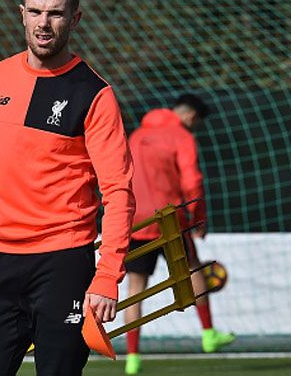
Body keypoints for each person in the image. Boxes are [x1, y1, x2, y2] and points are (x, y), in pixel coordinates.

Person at [0, 0, 135, 376]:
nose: (43, 23)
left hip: (63, 263)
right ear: (22, 13)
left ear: (75, 18)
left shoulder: (95, 95)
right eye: (35, 11)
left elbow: (118, 193)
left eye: (56, 13)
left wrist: (107, 277)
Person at [123, 94, 235, 375]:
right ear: (190, 117)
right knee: (193, 270)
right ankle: (209, 335)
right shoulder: (181, 137)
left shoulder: (136, 136)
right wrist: (198, 218)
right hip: (170, 219)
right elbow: (192, 180)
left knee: (136, 289)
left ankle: (132, 358)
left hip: (135, 219)